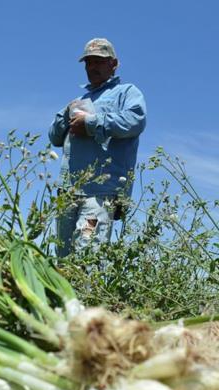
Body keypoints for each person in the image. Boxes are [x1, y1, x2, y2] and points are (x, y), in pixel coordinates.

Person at [48, 38, 147, 257]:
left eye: (99, 61)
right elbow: (54, 138)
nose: (92, 67)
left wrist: (91, 123)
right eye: (88, 62)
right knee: (62, 256)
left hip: (100, 194)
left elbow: (135, 121)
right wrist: (66, 115)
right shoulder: (79, 100)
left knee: (86, 255)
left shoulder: (127, 93)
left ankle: (83, 292)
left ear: (114, 63)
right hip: (69, 190)